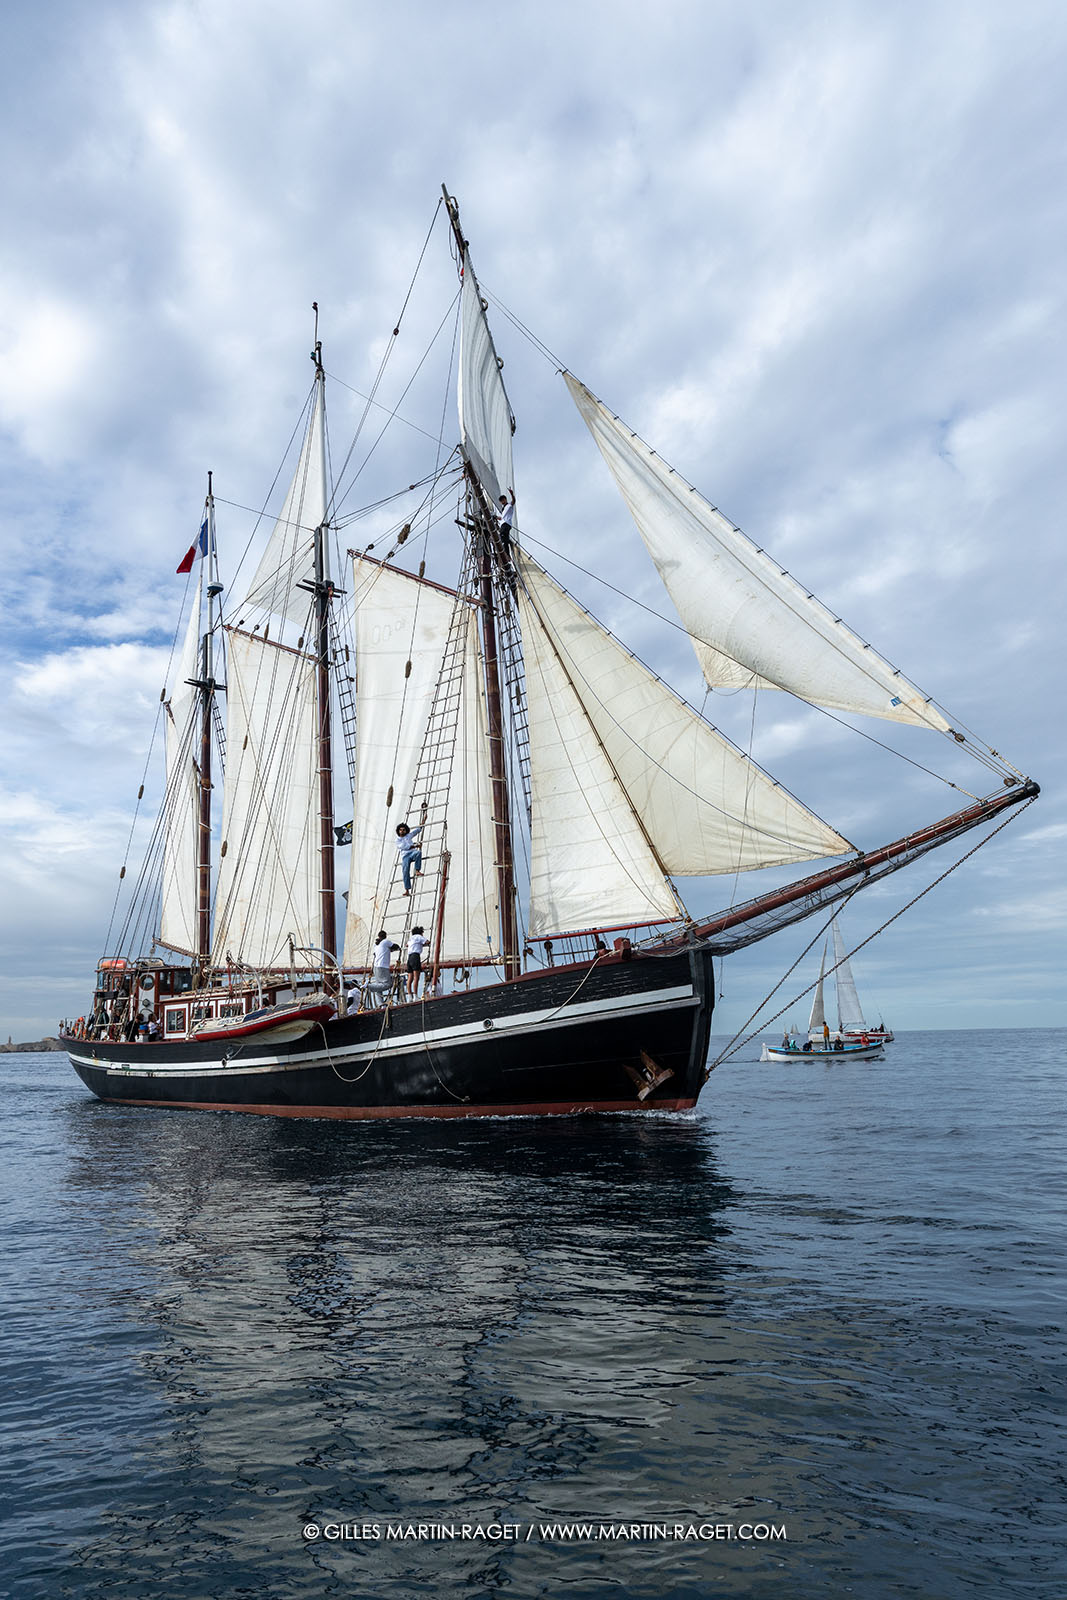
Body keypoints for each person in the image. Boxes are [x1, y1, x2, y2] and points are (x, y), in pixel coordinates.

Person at [371, 931, 399, 1004]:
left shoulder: (376, 945)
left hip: (376, 967)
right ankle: (368, 987)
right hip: (383, 967)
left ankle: (381, 1004)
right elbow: (395, 946)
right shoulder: (385, 942)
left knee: (378, 986)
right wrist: (394, 949)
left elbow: (377, 953)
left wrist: (389, 950)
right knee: (387, 984)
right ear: (385, 936)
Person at [395, 822, 423, 895]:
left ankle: (417, 870)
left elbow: (416, 831)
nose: (402, 831)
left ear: (406, 830)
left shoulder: (408, 836)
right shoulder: (397, 840)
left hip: (412, 853)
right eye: (400, 830)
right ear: (398, 831)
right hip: (405, 856)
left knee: (418, 853)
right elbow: (404, 847)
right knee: (405, 871)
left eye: (403, 830)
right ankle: (407, 890)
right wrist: (415, 846)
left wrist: (423, 821)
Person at [406, 926, 429, 998]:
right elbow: (427, 941)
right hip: (415, 956)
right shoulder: (419, 937)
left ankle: (410, 996)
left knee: (410, 978)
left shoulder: (411, 938)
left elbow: (406, 945)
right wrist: (423, 944)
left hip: (409, 958)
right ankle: (415, 996)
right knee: (416, 977)